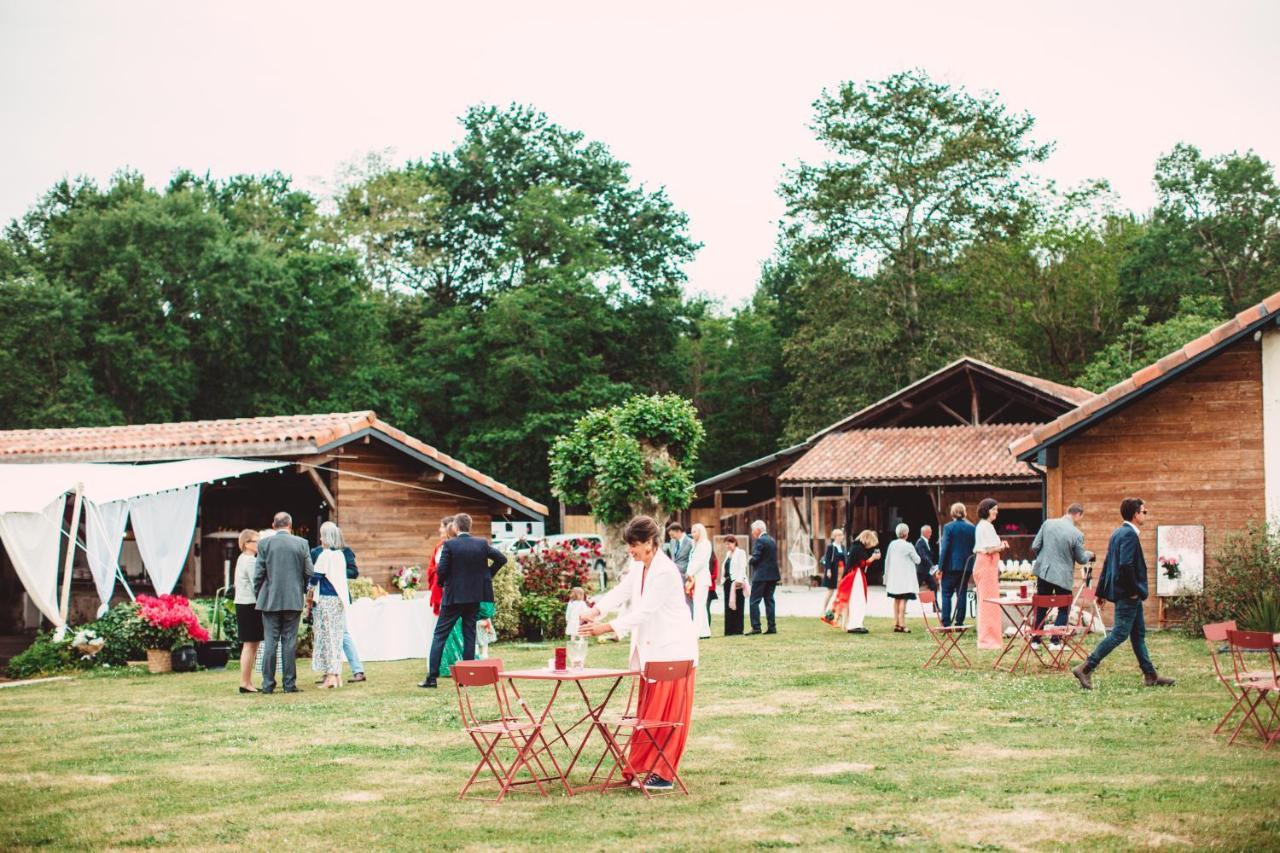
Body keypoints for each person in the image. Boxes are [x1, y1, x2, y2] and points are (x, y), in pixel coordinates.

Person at [578, 515, 698, 792]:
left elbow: (645, 612)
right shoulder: (639, 566)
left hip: (672, 651)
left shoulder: (666, 572)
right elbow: (622, 592)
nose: (630, 550)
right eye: (629, 545)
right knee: (648, 714)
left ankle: (664, 774)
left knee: (666, 715)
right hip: (650, 652)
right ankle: (643, 767)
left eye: (634, 544)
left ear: (649, 543)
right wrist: (596, 610)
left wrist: (606, 627)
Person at [1073, 498, 1175, 690]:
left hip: (1127, 593)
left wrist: (1100, 592)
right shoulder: (1128, 535)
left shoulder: (1117, 533)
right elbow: (1124, 565)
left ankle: (1150, 675)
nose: (1145, 515)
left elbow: (1107, 565)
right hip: (1129, 594)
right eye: (1144, 512)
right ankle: (1086, 667)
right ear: (1135, 514)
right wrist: (1135, 590)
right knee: (1119, 633)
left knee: (1138, 635)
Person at [421, 513, 506, 688]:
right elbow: (501, 559)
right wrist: (487, 576)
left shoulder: (450, 545)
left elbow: (442, 570)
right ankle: (467, 678)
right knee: (469, 635)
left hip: (453, 597)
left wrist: (444, 583)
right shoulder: (481, 544)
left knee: (440, 635)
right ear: (469, 526)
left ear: (456, 527)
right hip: (474, 597)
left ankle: (432, 678)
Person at [253, 511, 314, 694]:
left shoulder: (264, 544)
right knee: (289, 642)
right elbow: (309, 572)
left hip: (269, 599)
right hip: (293, 598)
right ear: (290, 525)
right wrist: (301, 591)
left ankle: (268, 685)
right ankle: (289, 685)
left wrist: (260, 594)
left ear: (274, 525)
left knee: (270, 642)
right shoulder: (302, 543)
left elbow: (258, 574)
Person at [309, 531, 366, 683]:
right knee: (325, 636)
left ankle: (357, 670)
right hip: (320, 598)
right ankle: (329, 672)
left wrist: (335, 572)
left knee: (342, 634)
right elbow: (311, 572)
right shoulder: (316, 552)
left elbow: (354, 572)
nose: (321, 538)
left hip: (336, 598)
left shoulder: (344, 552)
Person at [1030, 503, 1093, 641]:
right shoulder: (1077, 534)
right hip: (1063, 577)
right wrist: (1089, 554)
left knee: (1042, 605)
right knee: (1064, 609)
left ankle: (1035, 639)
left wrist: (1046, 558)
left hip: (1044, 572)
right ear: (1078, 514)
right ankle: (1055, 640)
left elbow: (1035, 546)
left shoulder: (1048, 524)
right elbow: (1082, 559)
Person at [309, 521, 351, 689]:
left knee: (327, 638)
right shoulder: (340, 555)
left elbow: (314, 578)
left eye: (321, 534)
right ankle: (337, 674)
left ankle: (331, 677)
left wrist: (308, 594)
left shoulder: (325, 555)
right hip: (338, 601)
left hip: (326, 600)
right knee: (336, 637)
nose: (319, 538)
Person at [972, 499, 1008, 650]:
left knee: (988, 603)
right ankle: (988, 640)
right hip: (986, 565)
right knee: (989, 603)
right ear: (987, 510)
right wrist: (1002, 546)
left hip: (987, 565)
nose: (996, 512)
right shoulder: (985, 526)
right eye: (994, 509)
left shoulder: (984, 526)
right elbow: (988, 549)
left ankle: (991, 638)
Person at [233, 528, 263, 693]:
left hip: (244, 603)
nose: (259, 544)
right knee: (250, 645)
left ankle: (247, 681)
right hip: (249, 605)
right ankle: (245, 682)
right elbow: (256, 584)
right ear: (247, 544)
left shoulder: (242, 559)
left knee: (251, 645)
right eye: (256, 541)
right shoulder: (250, 561)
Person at [938, 503, 976, 627]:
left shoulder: (949, 527)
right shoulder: (972, 527)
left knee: (946, 593)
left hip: (950, 566)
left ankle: (946, 621)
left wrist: (940, 567)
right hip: (966, 565)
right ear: (964, 512)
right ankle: (959, 621)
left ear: (952, 513)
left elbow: (945, 549)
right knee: (962, 592)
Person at [837, 530, 880, 634]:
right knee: (858, 599)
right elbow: (862, 563)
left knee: (856, 599)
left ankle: (853, 623)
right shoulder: (858, 548)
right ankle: (854, 624)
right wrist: (873, 558)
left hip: (855, 574)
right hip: (856, 575)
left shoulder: (855, 547)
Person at [884, 523, 922, 633]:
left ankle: (896, 622)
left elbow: (887, 560)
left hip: (894, 577)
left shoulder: (892, 544)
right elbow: (917, 560)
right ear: (906, 533)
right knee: (903, 601)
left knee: (896, 600)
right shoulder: (908, 546)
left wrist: (886, 576)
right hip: (905, 578)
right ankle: (902, 624)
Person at [747, 520, 779, 635]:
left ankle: (756, 627)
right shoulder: (772, 540)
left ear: (757, 530)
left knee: (754, 601)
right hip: (773, 576)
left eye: (752, 530)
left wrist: (749, 560)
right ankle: (772, 627)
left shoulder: (760, 541)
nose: (752, 533)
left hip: (761, 576)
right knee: (769, 601)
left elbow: (756, 558)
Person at [688, 523, 713, 640]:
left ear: (701, 532)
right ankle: (704, 631)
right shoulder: (695, 545)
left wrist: (690, 572)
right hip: (695, 577)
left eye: (695, 531)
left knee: (699, 605)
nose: (693, 534)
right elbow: (692, 561)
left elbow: (700, 562)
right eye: (692, 531)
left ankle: (697, 631)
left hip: (702, 578)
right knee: (699, 605)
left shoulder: (705, 544)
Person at [722, 535, 748, 636]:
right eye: (726, 544)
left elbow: (742, 567)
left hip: (737, 583)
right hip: (728, 583)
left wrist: (739, 580)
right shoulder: (728, 554)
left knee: (738, 606)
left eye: (728, 544)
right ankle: (729, 630)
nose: (727, 546)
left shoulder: (740, 553)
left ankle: (738, 630)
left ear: (734, 543)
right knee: (728, 606)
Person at [664, 522, 693, 614]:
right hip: (673, 576)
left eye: (672, 535)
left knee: (687, 602)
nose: (671, 537)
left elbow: (692, 560)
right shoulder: (672, 542)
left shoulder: (690, 542)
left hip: (685, 576)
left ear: (678, 531)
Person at [820, 529, 847, 621]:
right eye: (838, 535)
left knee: (841, 592)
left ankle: (839, 611)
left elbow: (845, 560)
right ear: (834, 537)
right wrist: (828, 570)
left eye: (841, 535)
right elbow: (827, 560)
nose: (840, 537)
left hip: (842, 572)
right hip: (833, 571)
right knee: (830, 591)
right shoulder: (831, 547)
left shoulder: (843, 547)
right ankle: (823, 609)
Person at [915, 525, 938, 608]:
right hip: (921, 571)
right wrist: (932, 565)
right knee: (914, 588)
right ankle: (903, 604)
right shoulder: (920, 542)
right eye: (929, 532)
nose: (931, 534)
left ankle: (935, 606)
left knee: (934, 586)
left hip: (927, 571)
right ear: (924, 533)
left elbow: (929, 554)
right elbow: (923, 555)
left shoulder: (926, 542)